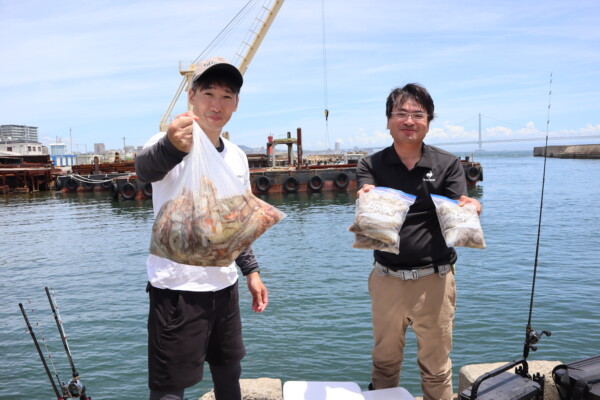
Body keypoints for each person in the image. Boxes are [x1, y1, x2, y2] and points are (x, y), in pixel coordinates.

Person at [135, 56, 268, 400]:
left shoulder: (237, 156)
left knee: (229, 372)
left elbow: (236, 222)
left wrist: (251, 272)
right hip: (176, 290)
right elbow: (144, 170)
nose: (216, 104)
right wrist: (171, 147)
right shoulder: (167, 141)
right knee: (169, 387)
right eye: (208, 93)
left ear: (236, 104)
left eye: (227, 96)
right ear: (191, 96)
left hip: (225, 287)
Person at [356, 83, 482, 400]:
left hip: (436, 280)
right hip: (386, 280)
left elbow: (459, 210)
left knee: (436, 368)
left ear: (428, 121)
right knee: (384, 364)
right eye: (401, 113)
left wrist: (472, 210)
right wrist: (366, 199)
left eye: (418, 114)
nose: (409, 120)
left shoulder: (448, 164)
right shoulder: (370, 165)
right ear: (388, 121)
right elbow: (367, 197)